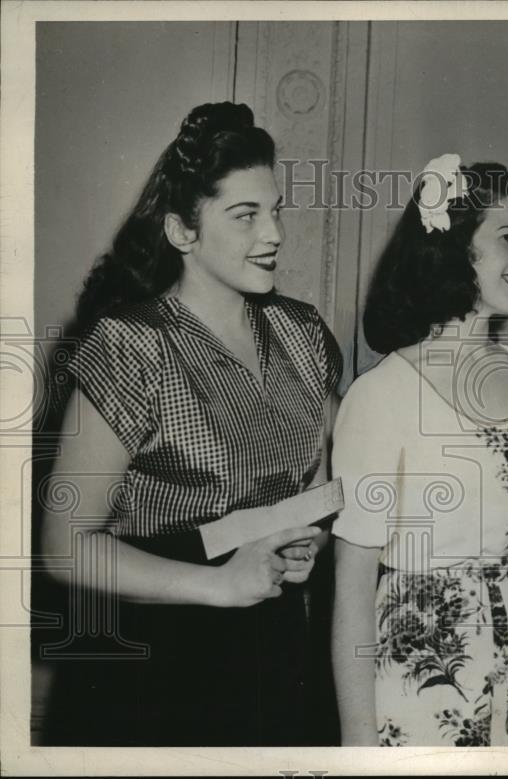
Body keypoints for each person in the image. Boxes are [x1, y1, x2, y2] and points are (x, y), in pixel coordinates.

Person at [39, 102, 342, 746]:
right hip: (155, 658)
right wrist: (219, 585)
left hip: (272, 646)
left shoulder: (303, 332)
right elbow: (65, 546)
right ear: (182, 231)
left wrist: (302, 547)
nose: (274, 234)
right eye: (245, 215)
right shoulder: (131, 345)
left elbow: (320, 495)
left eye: (276, 209)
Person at [331, 156, 508, 746]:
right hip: (421, 672)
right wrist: (357, 749)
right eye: (506, 237)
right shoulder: (381, 395)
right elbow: (352, 586)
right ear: (455, 248)